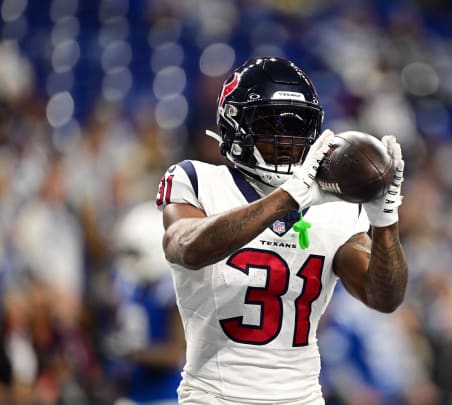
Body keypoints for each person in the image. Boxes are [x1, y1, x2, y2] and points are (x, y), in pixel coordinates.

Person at [156, 57, 407, 404]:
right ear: (236, 124)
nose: (287, 139)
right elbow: (185, 247)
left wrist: (385, 221)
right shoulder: (197, 180)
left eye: (298, 126)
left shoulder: (336, 206)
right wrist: (285, 199)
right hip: (214, 397)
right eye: (271, 123)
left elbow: (384, 297)